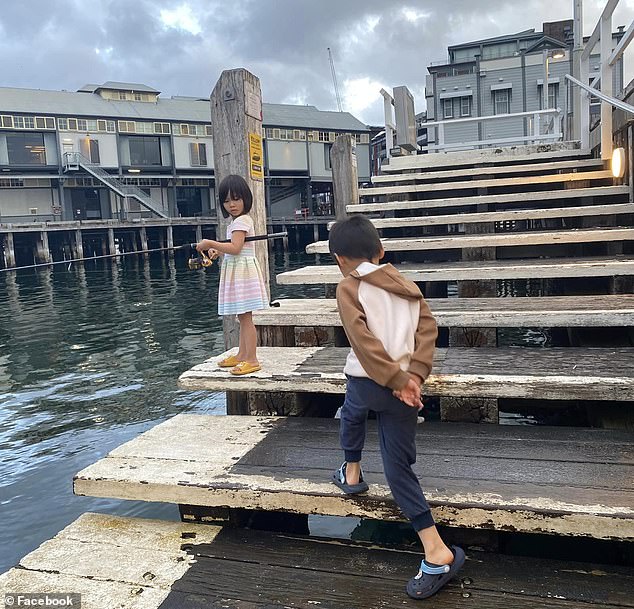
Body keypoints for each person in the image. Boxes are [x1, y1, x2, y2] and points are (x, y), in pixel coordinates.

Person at [328, 215, 464, 600]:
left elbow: (363, 342)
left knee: (351, 415)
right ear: (381, 252)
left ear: (339, 259)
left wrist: (396, 380)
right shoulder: (408, 286)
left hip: (369, 383)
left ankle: (351, 473)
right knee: (398, 467)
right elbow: (428, 330)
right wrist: (413, 377)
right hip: (406, 389)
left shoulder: (349, 287)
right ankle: (435, 551)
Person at [196, 175, 268, 376]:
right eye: (226, 201)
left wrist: (210, 244)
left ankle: (251, 359)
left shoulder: (242, 220)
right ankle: (242, 355)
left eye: (236, 199)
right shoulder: (236, 222)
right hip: (239, 270)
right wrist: (219, 250)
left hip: (242, 272)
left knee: (246, 319)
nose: (231, 204)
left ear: (245, 198)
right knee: (242, 316)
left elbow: (236, 248)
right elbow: (235, 246)